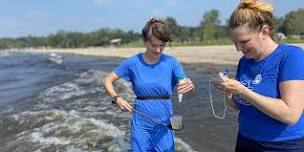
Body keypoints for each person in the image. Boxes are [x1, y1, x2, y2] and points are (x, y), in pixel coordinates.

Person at [215, 0, 304, 151]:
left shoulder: (291, 56)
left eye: (243, 41)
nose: (238, 48)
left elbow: (291, 114)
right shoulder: (245, 61)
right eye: (235, 42)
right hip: (246, 140)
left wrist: (243, 90)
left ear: (264, 31)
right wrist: (228, 91)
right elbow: (237, 106)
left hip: (283, 145)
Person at [103, 17, 195, 152]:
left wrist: (190, 87)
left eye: (162, 45)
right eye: (154, 45)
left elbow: (189, 90)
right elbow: (107, 80)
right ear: (145, 42)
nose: (158, 50)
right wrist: (117, 98)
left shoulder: (172, 62)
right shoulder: (132, 62)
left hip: (166, 121)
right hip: (141, 123)